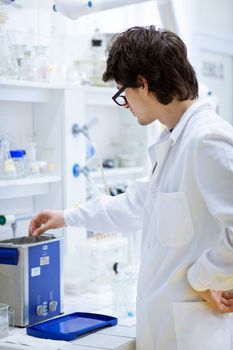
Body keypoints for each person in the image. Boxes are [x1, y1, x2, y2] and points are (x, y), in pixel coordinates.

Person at [29, 26, 233, 350]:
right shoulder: (173, 141)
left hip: (195, 335)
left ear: (143, 83)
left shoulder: (207, 140)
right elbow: (136, 205)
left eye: (123, 92)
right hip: (167, 331)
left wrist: (205, 277)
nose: (124, 104)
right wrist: (66, 216)